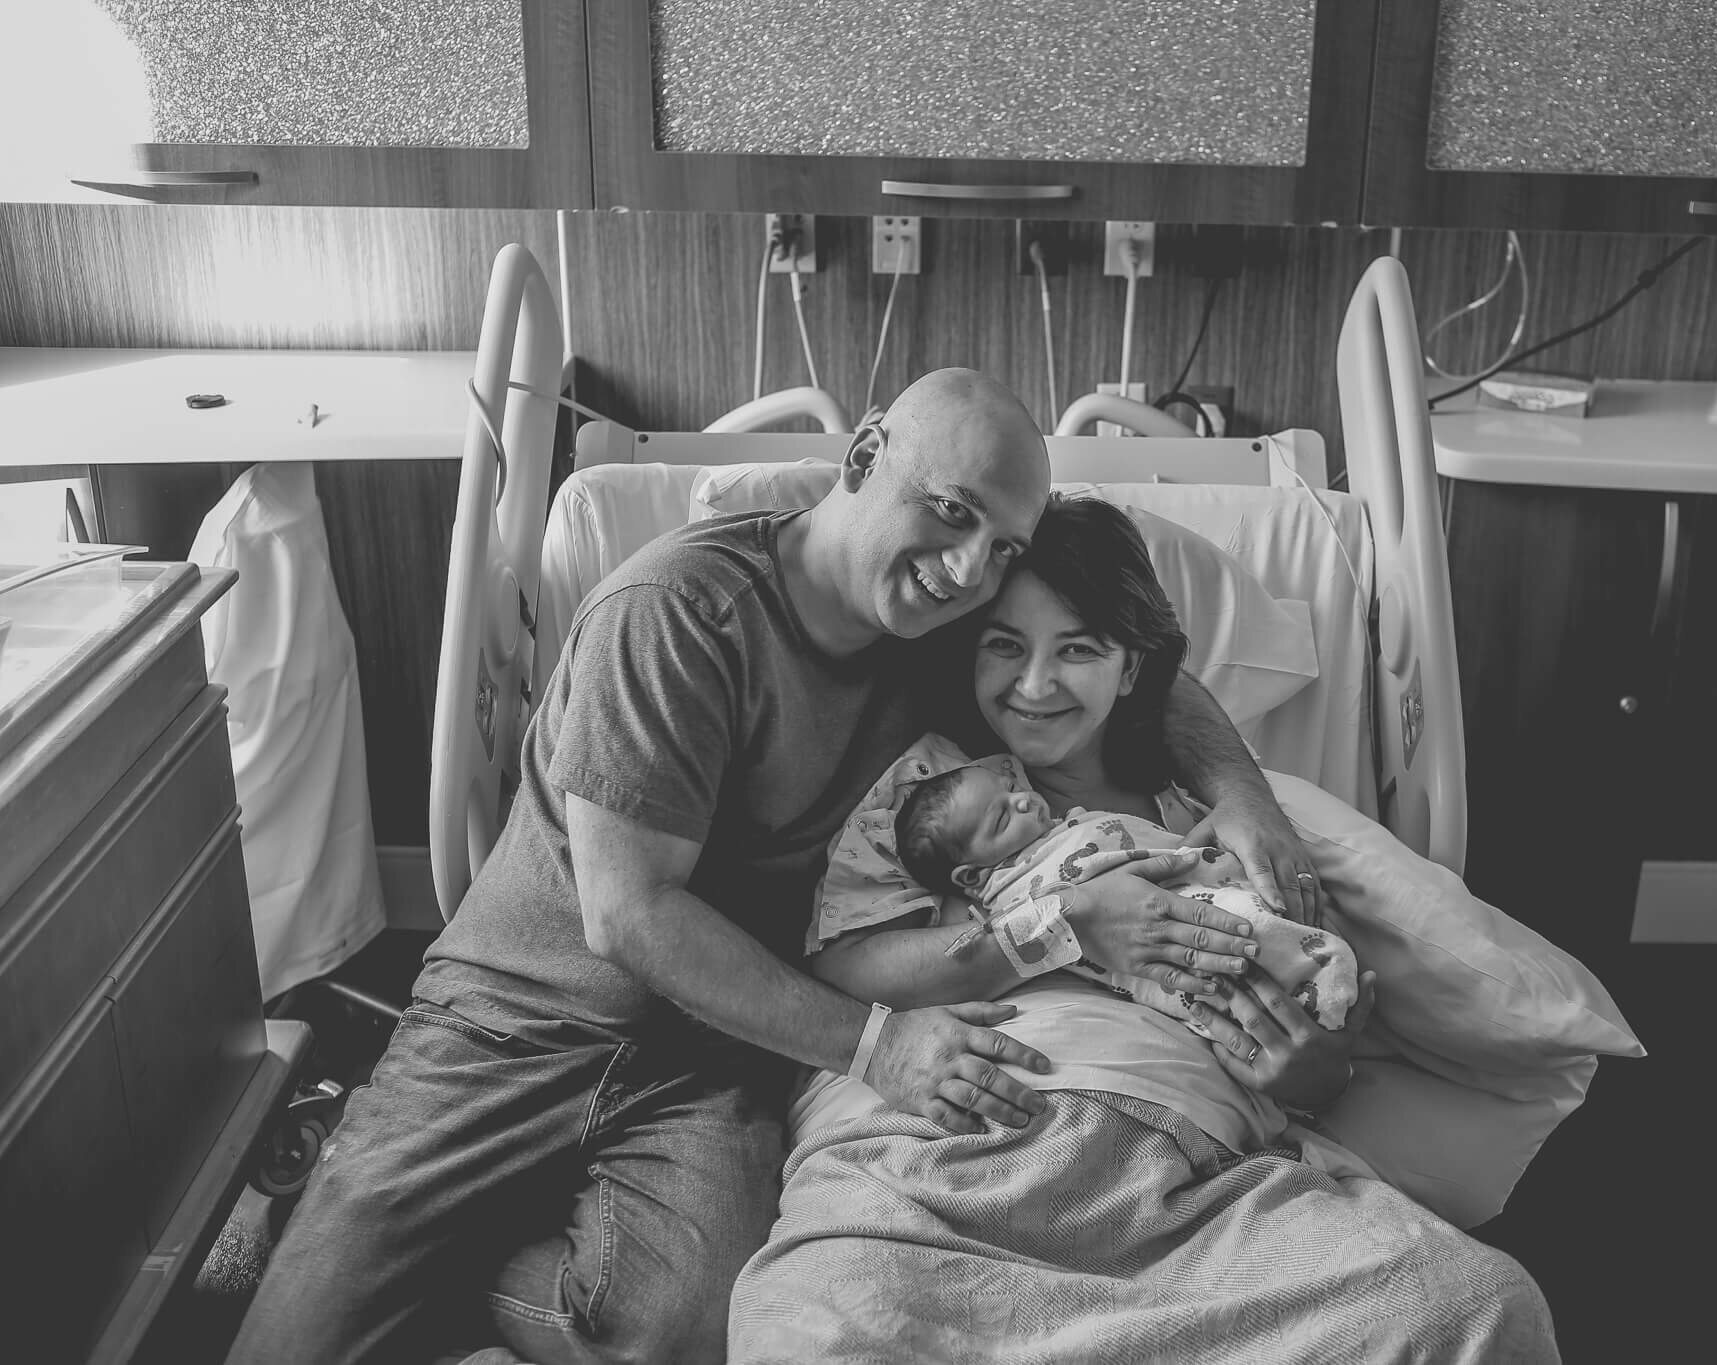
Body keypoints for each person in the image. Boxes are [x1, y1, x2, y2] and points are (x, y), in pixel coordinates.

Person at [227, 371, 1319, 1365]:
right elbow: (630, 916)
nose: (963, 568)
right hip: (517, 1020)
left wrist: (1242, 797)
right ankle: (352, 1205)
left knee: (685, 1334)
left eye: (997, 548)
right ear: (860, 461)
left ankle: (449, 1263)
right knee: (292, 1346)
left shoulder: (942, 618)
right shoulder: (675, 618)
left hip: (717, 1039)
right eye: (947, 513)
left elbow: (1137, 662)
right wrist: (875, 1048)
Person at [727, 495, 1559, 1363]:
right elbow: (845, 964)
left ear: (1131, 672)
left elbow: (1315, 1000)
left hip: (1188, 1194)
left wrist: (1319, 1071)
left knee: (1474, 1305)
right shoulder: (930, 796)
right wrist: (1062, 926)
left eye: (1078, 649)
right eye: (1004, 645)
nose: (1035, 684)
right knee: (815, 1327)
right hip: (932, 1170)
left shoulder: (1217, 824)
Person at [890, 760, 1363, 1030]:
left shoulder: (1064, 825)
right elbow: (1020, 931)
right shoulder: (1011, 894)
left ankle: (1323, 980)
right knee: (1235, 938)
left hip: (1190, 880)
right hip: (1153, 931)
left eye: (1011, 788)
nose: (1021, 801)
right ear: (972, 877)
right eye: (1000, 819)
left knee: (1258, 907)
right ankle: (1321, 988)